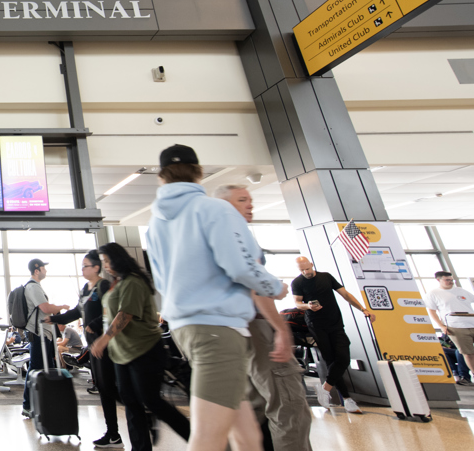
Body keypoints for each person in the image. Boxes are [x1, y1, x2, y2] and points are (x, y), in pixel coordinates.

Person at [144, 145, 287, 451]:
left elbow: (160, 280)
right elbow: (240, 265)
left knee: (247, 433)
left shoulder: (156, 223)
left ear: (162, 177)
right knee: (208, 437)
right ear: (199, 171)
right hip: (216, 330)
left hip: (186, 328)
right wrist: (275, 287)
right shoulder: (214, 209)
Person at [215, 184, 312, 451]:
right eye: (242, 200)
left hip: (231, 332)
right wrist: (280, 328)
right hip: (256, 327)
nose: (250, 205)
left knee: (254, 407)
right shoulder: (237, 235)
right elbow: (254, 284)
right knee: (288, 407)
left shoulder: (210, 237)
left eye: (250, 200)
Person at [91, 243, 191, 451]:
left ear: (119, 259)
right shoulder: (117, 284)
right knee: (131, 403)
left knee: (152, 401)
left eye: (108, 261)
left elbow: (125, 315)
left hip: (144, 350)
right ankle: (140, 448)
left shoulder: (134, 282)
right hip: (122, 354)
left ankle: (196, 438)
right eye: (103, 263)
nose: (106, 266)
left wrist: (104, 339)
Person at [49, 248, 122, 448]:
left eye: (85, 266)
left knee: (109, 388)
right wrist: (53, 318)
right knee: (104, 389)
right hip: (92, 347)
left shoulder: (104, 286)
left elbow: (112, 312)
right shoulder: (85, 289)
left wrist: (95, 324)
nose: (82, 269)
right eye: (81, 266)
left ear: (96, 267)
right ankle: (113, 434)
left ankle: (137, 410)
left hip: (105, 344)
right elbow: (76, 312)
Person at [291, 256, 374, 413]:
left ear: (311, 264)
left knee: (343, 358)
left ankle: (325, 388)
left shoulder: (326, 277)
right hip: (316, 325)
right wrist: (308, 306)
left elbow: (346, 295)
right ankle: (348, 400)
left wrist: (363, 309)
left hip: (335, 323)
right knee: (331, 361)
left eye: (307, 268)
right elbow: (297, 303)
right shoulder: (298, 282)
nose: (305, 272)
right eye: (301, 270)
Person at [20, 258, 71, 418]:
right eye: (43, 268)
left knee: (44, 369)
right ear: (37, 270)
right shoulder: (33, 287)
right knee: (35, 368)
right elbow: (45, 307)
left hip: (44, 333)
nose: (46, 271)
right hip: (38, 333)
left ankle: (42, 403)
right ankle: (28, 405)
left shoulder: (36, 287)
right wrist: (61, 307)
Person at [427, 270, 474, 385]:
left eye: (452, 280)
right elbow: (432, 311)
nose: (450, 282)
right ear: (439, 280)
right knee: (468, 353)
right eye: (447, 280)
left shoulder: (461, 291)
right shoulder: (434, 293)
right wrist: (441, 326)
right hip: (455, 326)